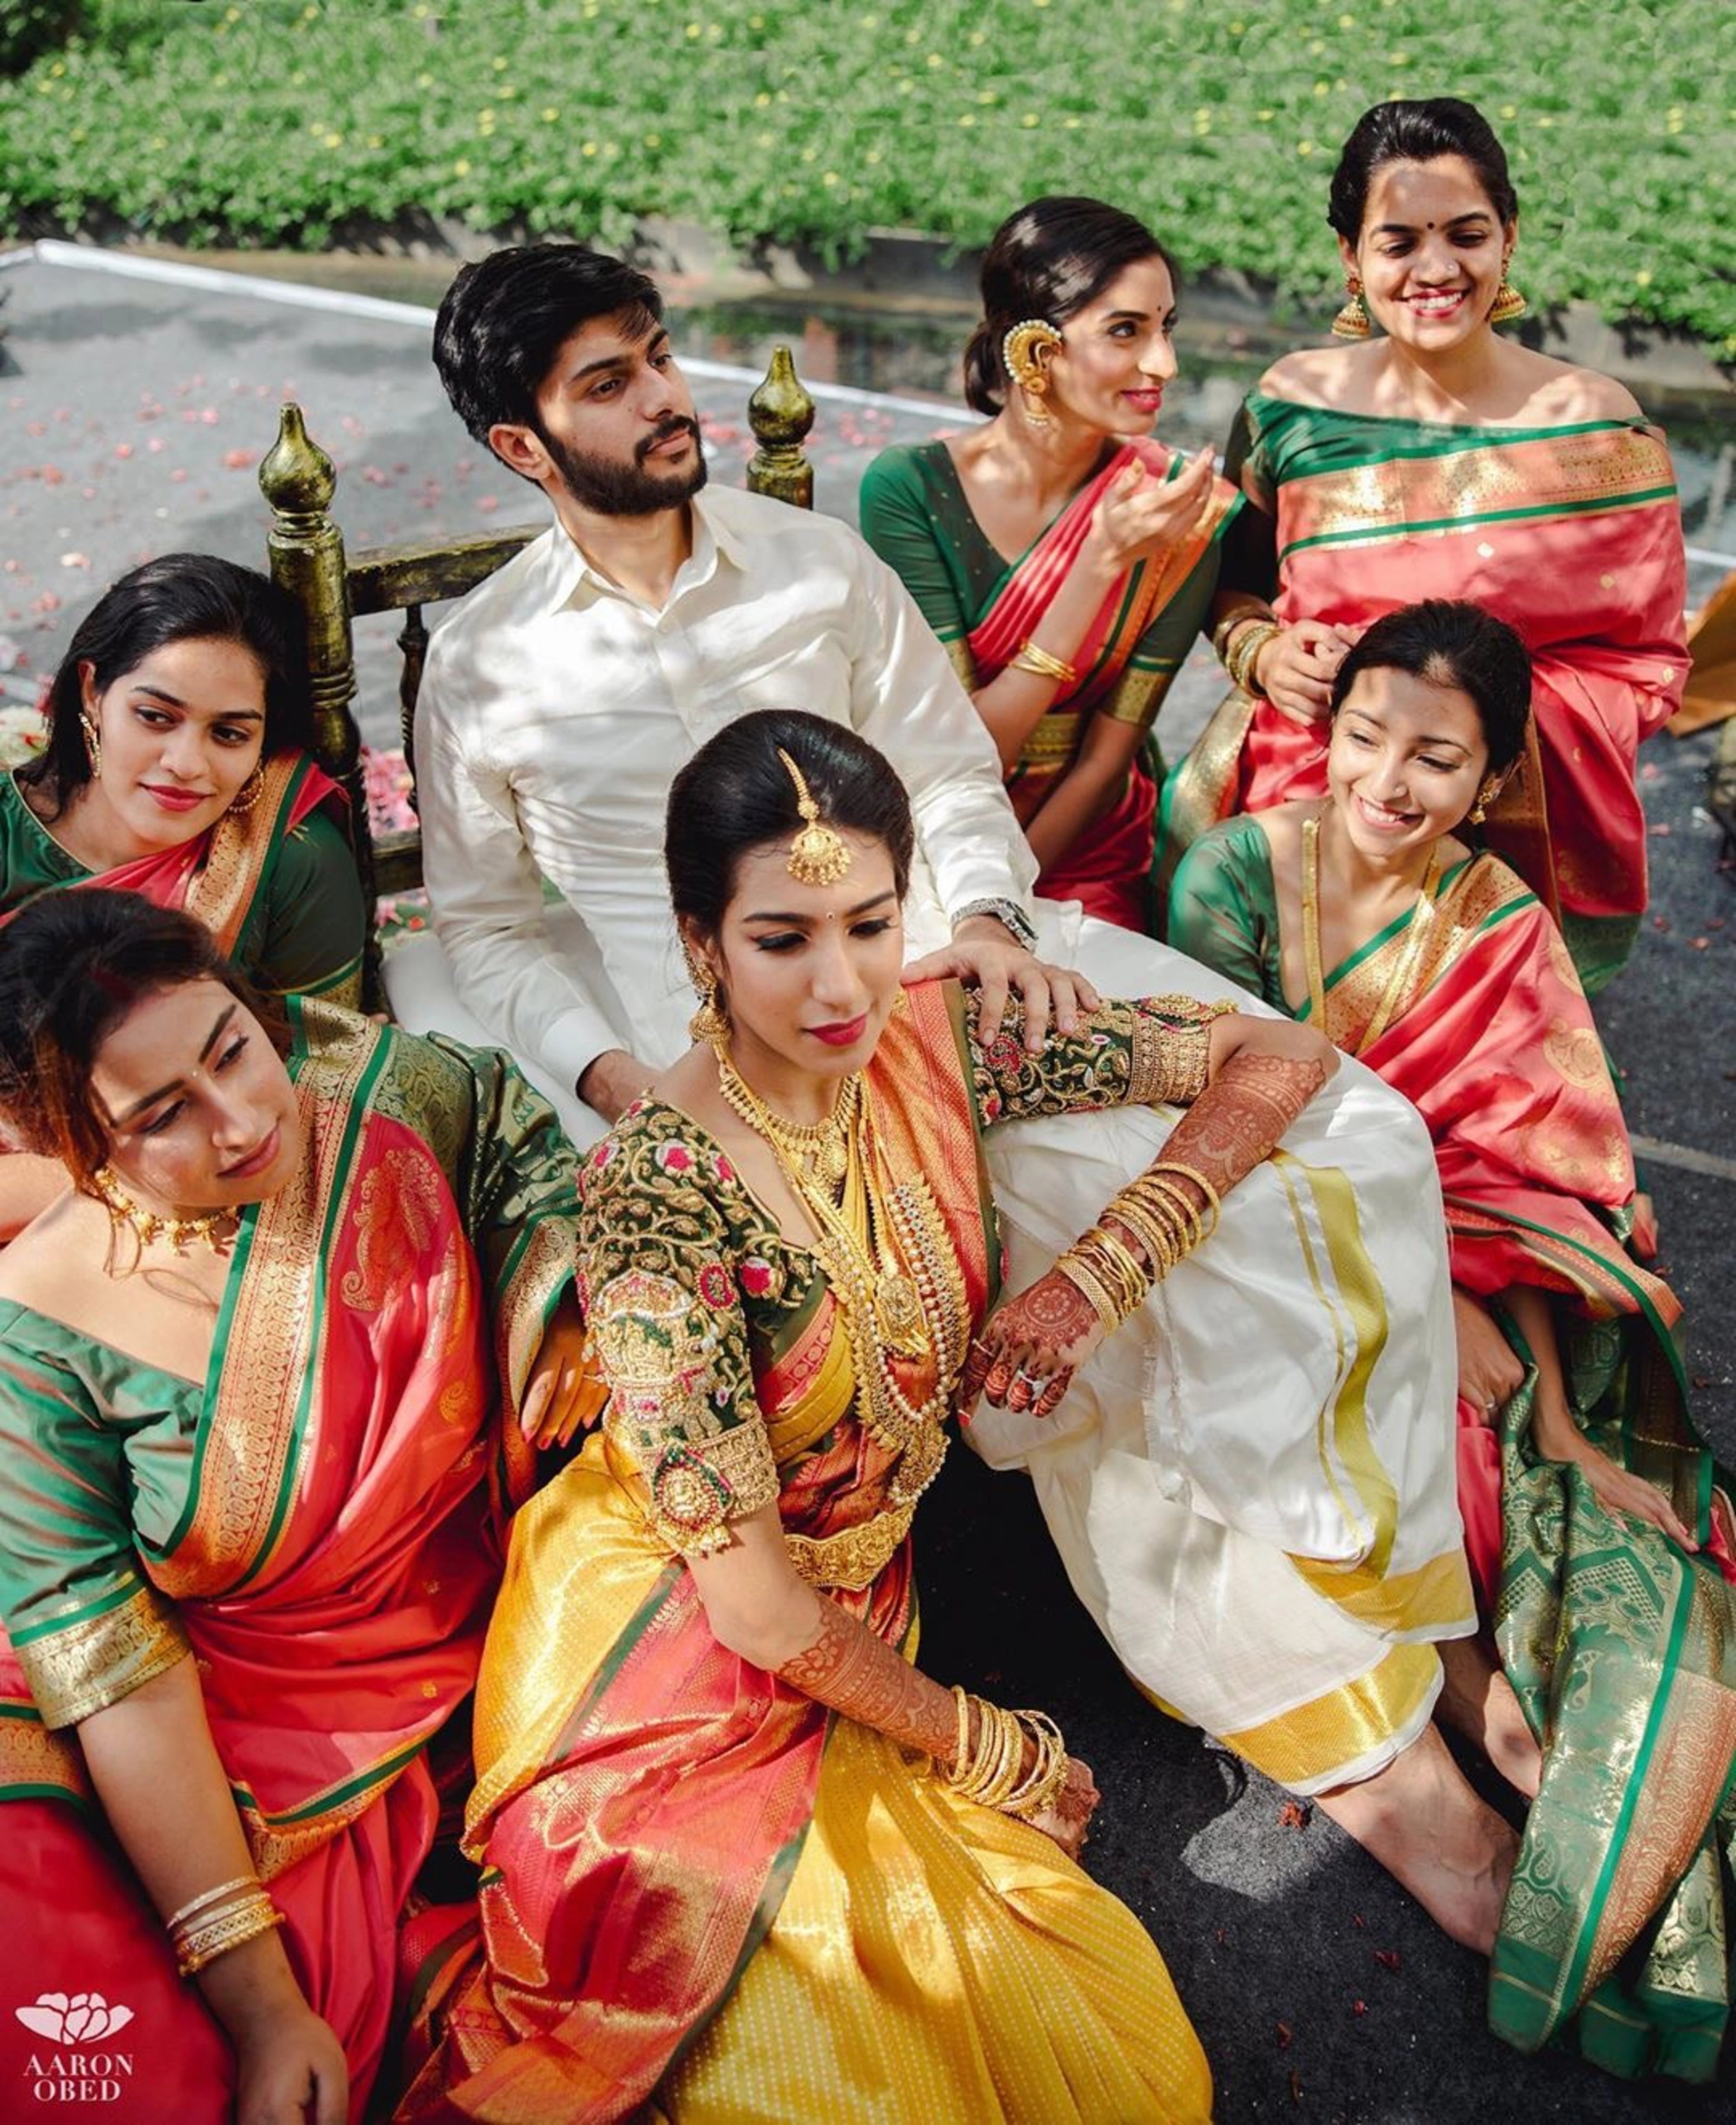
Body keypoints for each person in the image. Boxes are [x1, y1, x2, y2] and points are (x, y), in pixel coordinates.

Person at [404, 241, 1489, 1892]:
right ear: (522, 447)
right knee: (1094, 1248)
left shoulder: (811, 564)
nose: (665, 394)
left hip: (928, 968)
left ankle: (1383, 1612)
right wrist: (614, 1076)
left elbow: (943, 771)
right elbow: (483, 927)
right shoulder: (487, 661)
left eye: (656, 351)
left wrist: (979, 919)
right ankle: (1355, 1736)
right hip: (679, 1044)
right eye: (606, 380)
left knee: (1343, 1134)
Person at [399, 708, 1484, 2120]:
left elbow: (1276, 1056)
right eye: (782, 938)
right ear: (697, 943)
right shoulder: (659, 1196)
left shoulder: (936, 1035)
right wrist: (992, 1744)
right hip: (666, 1663)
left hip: (859, 1616)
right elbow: (757, 1613)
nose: (838, 982)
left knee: (1126, 2070)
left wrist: (1098, 1274)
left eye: (867, 921)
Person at [1170, 601, 1736, 2082]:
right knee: (1385, 1407)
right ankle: (1492, 1715)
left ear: (1488, 784)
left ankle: (1534, 1732)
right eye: (1362, 738)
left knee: (1514, 1464)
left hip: (1450, 1275)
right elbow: (1221, 1131)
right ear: (1323, 728)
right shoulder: (1230, 871)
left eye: (1434, 759)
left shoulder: (1497, 926)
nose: (1386, 781)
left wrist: (1553, 1417)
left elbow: (1531, 1189)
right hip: (1240, 1244)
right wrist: (1437, 1289)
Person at [0, 890, 586, 2122]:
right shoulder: (35, 1336)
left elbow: (523, 1149)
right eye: (162, 1117)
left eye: (231, 1049)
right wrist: (263, 2006)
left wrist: (568, 1302)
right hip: (202, 1733)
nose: (242, 1119)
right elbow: (113, 1670)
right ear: (62, 1140)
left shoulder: (386, 1095)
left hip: (435, 1666)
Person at [1161, 97, 1689, 996]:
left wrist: (1459, 729)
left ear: (1509, 239)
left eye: (1467, 235)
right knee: (1256, 1062)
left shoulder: (1598, 431)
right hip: (1306, 789)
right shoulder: (1295, 406)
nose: (1436, 269)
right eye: (1399, 241)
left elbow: (1644, 664)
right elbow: (1234, 592)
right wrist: (1267, 653)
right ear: (1351, 257)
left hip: (1494, 811)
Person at [860, 196, 1239, 931]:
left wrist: (1007, 913)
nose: (1163, 363)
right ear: (1036, 352)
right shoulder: (908, 490)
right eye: (1125, 331)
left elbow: (1105, 763)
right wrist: (1095, 564)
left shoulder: (1177, 508)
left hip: (1090, 845)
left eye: (1165, 328)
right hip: (934, 823)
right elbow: (968, 748)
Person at [0, 554, 368, 1238]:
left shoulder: (288, 861)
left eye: (229, 733)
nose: (186, 764)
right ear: (91, 692)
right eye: (155, 717)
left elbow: (327, 1082)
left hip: (202, 1207)